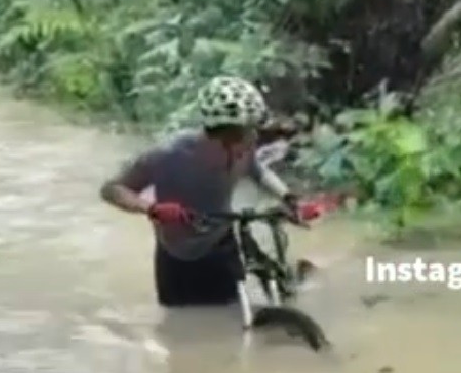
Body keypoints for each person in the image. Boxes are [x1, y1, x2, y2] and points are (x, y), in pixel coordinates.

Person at [99, 76, 324, 308]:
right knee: (180, 326)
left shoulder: (244, 150)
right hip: (177, 257)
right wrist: (152, 209)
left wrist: (288, 198)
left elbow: (258, 172)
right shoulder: (168, 155)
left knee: (232, 315)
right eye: (249, 131)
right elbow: (112, 189)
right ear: (225, 137)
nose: (255, 138)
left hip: (222, 245)